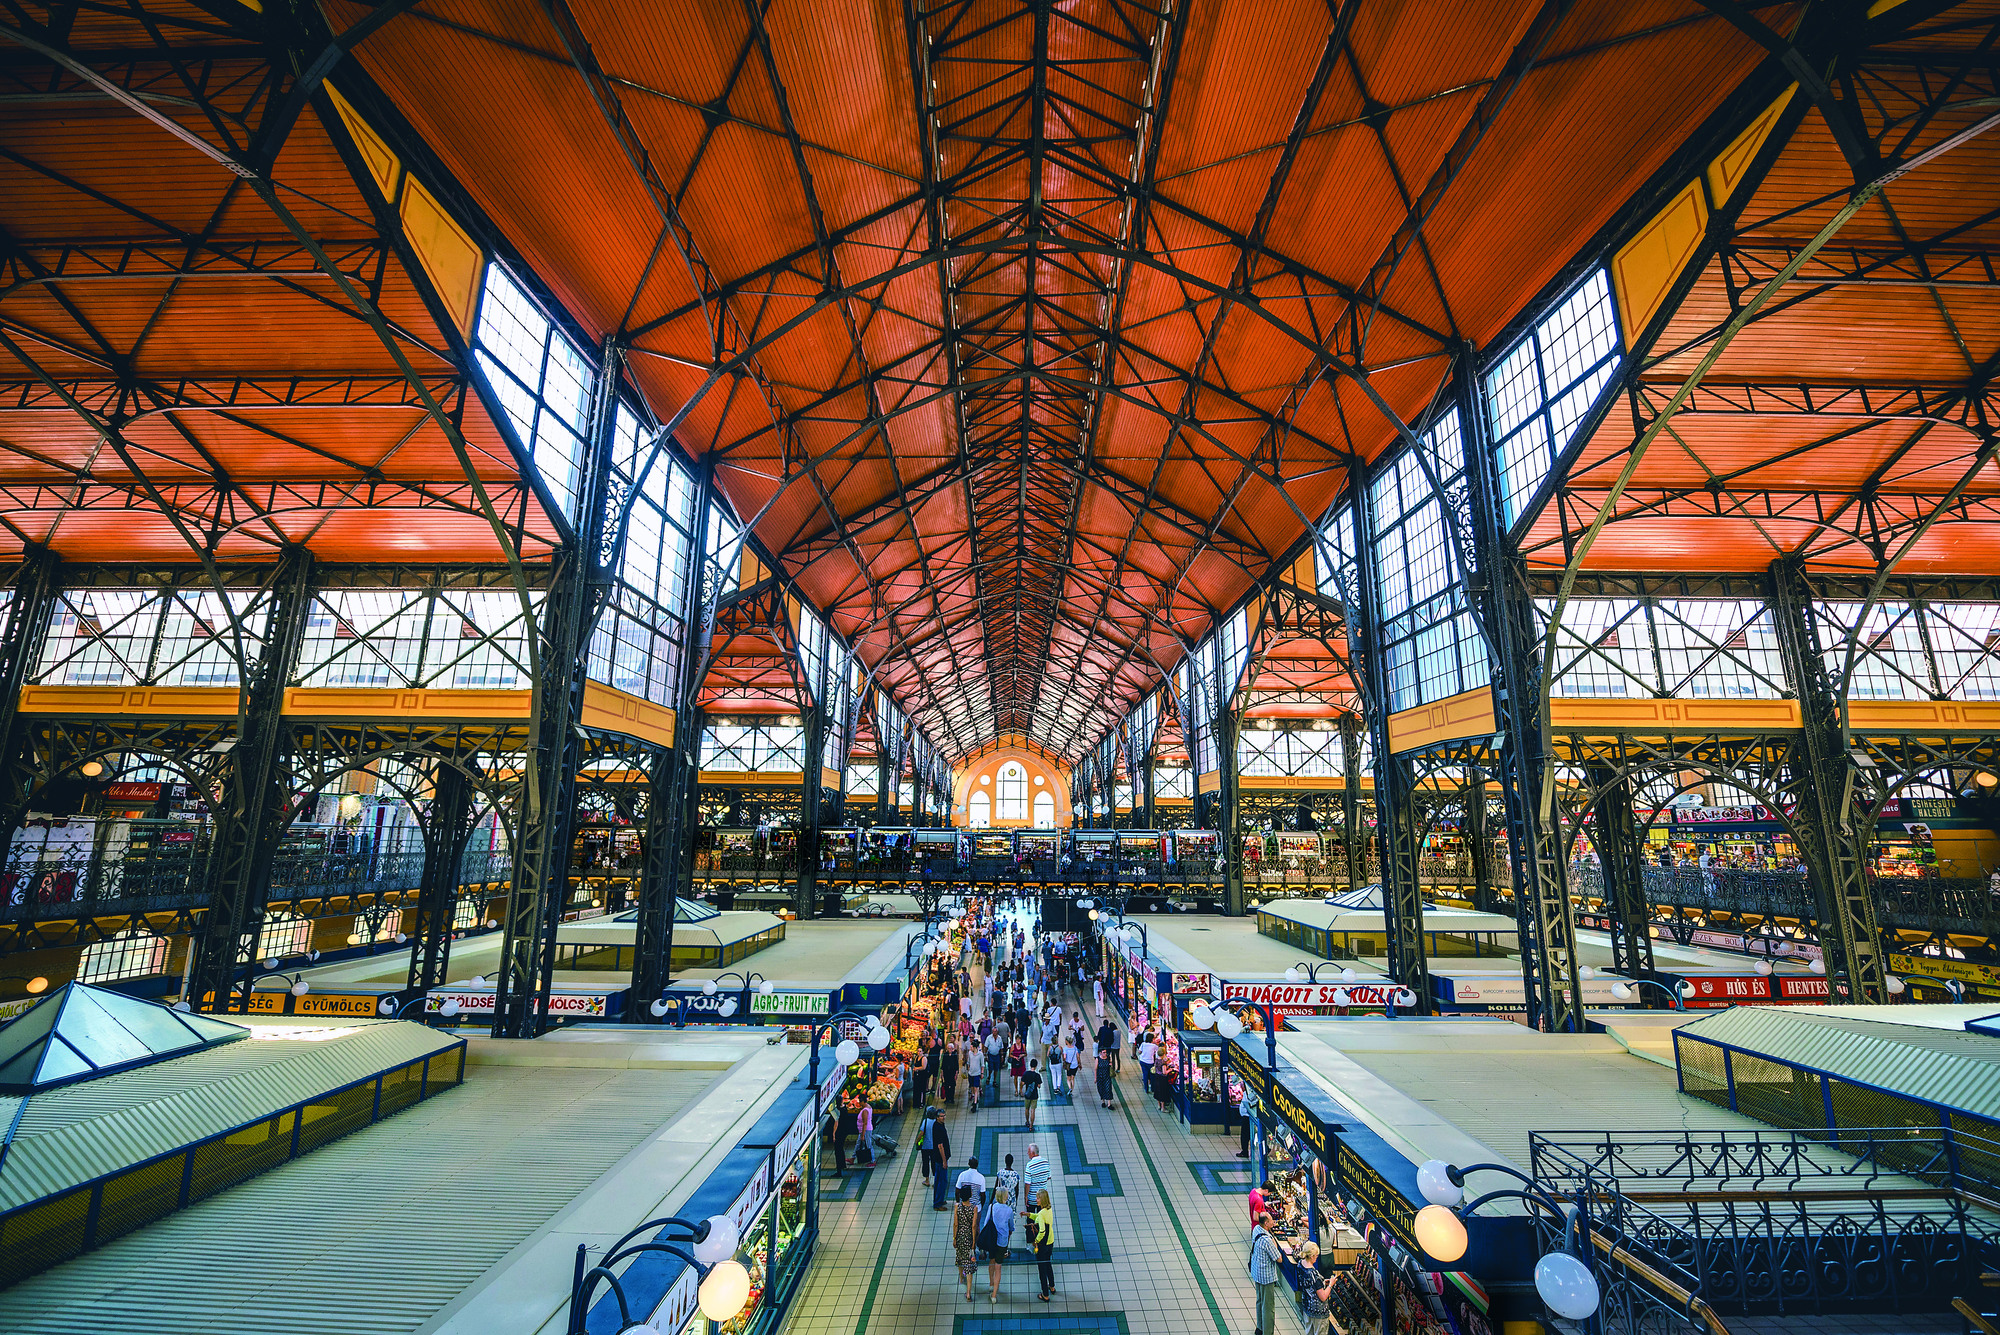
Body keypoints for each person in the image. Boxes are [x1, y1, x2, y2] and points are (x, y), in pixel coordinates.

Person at [1249, 1210, 1285, 1335]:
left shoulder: (1256, 1230)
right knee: (1268, 1307)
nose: (1273, 1222)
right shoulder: (1267, 1240)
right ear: (1266, 1223)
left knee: (1259, 1301)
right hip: (1266, 1277)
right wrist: (1274, 1242)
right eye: (1271, 1221)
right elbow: (1279, 1258)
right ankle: (1268, 1332)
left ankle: (1259, 1327)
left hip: (1257, 1272)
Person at [983, 1187, 1014, 1301]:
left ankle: (991, 1283)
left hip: (992, 1240)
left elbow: (986, 1222)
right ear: (1005, 1196)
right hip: (1002, 1242)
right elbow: (1011, 1226)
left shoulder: (991, 1207)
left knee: (991, 1262)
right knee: (998, 1267)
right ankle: (994, 1295)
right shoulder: (1009, 1210)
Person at [1298, 1241, 1332, 1335]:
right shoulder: (1314, 1274)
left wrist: (1322, 1283)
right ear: (1312, 1256)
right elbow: (1323, 1296)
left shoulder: (1300, 1264)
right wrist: (1330, 1285)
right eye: (1316, 1255)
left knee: (1309, 1331)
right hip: (1318, 1312)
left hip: (1307, 1307)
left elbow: (1309, 1285)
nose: (1317, 1258)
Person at [953, 1184, 980, 1300]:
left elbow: (955, 1224)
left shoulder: (957, 1207)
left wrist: (954, 1238)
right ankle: (968, 1292)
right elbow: (974, 1226)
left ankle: (961, 1277)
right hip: (969, 1237)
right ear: (970, 1195)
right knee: (969, 1263)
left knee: (960, 1257)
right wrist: (974, 1241)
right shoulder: (974, 1208)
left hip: (960, 1236)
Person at [1030, 1187, 1056, 1300]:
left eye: (1038, 1198)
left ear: (1043, 1199)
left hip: (1042, 1245)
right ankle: (1052, 1286)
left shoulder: (1041, 1214)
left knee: (1042, 1270)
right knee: (1048, 1264)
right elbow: (1040, 1217)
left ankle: (1045, 1295)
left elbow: (1041, 1231)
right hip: (1050, 1242)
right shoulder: (1048, 1210)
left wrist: (1036, 1242)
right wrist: (1029, 1215)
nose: (1036, 1200)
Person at [926, 1108, 954, 1209]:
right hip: (939, 1159)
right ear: (937, 1117)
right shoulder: (938, 1128)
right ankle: (938, 1203)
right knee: (941, 1181)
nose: (943, 1118)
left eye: (944, 1115)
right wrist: (944, 1160)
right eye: (941, 1116)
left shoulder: (939, 1125)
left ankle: (940, 1199)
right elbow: (940, 1146)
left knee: (941, 1180)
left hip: (939, 1158)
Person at [1024, 1141, 1052, 1210]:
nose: (1027, 1153)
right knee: (1041, 1219)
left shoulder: (1029, 1165)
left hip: (1032, 1198)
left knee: (1031, 1218)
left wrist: (1026, 1196)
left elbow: (1027, 1184)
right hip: (1043, 1197)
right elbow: (1049, 1177)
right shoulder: (1046, 1162)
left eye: (1028, 1152)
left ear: (1033, 1153)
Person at [834, 1097, 859, 1174]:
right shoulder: (845, 1107)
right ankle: (843, 1165)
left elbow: (836, 1123)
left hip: (839, 1132)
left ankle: (839, 1170)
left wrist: (833, 1134)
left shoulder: (838, 1111)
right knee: (841, 1149)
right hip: (845, 1131)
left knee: (838, 1151)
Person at [1136, 1030, 1159, 1101]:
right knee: (1152, 1076)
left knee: (1145, 1075)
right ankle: (1152, 1088)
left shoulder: (1143, 1044)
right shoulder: (1154, 1046)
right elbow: (1157, 1053)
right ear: (1152, 1039)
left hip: (1143, 1061)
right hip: (1150, 1062)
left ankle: (1146, 1089)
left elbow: (1139, 1052)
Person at [1236, 1081, 1255, 1158]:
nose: (1240, 1087)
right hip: (1246, 1117)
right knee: (1249, 1135)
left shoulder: (1248, 1094)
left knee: (1245, 1136)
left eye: (1241, 1086)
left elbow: (1249, 1105)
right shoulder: (1245, 1093)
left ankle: (1245, 1152)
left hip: (1247, 1118)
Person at [1021, 1058, 1042, 1129]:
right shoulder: (1037, 1075)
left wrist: (1021, 1090)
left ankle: (1027, 1121)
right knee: (1033, 1110)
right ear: (1036, 1066)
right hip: (1034, 1095)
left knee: (1027, 1109)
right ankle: (1031, 1126)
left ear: (1030, 1065)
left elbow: (1022, 1083)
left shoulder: (1026, 1073)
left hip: (1027, 1094)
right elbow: (1039, 1086)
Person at [966, 1040, 984, 1114]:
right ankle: (974, 1096)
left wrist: (982, 1073)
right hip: (971, 1073)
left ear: (975, 1047)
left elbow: (982, 1064)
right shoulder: (970, 1053)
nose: (970, 1048)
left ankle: (975, 1102)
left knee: (976, 1088)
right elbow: (969, 1062)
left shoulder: (980, 1054)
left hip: (977, 1073)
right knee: (972, 1087)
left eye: (972, 1047)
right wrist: (968, 1068)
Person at [1095, 1042, 1114, 1109]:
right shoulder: (1098, 1059)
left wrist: (1111, 1065)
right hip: (1100, 1077)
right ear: (1100, 1053)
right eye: (1103, 1052)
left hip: (1107, 1076)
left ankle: (1109, 1104)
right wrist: (1095, 1078)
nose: (1105, 1054)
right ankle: (1103, 1101)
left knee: (1108, 1089)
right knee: (1101, 1089)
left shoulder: (1108, 1058)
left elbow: (1110, 1064)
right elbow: (1095, 1069)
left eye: (1105, 1052)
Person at [942, 1039, 961, 1105]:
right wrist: (942, 1073)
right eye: (948, 1048)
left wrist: (956, 1073)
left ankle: (951, 1098)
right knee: (946, 1085)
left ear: (953, 1049)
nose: (949, 1049)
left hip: (952, 1072)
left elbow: (956, 1065)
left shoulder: (954, 1055)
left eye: (950, 1048)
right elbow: (943, 1064)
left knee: (952, 1085)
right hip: (946, 1072)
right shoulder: (945, 1055)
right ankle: (947, 1098)